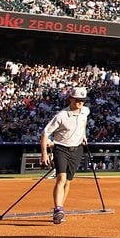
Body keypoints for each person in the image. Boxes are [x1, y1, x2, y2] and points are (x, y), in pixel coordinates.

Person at [40, 86, 91, 225]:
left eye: (82, 100)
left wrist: (84, 135)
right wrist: (44, 153)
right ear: (70, 99)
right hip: (61, 148)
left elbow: (84, 121)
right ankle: (58, 209)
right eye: (77, 100)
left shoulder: (85, 111)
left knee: (68, 181)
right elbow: (45, 133)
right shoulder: (61, 116)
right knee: (61, 178)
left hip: (77, 149)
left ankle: (61, 208)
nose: (80, 103)